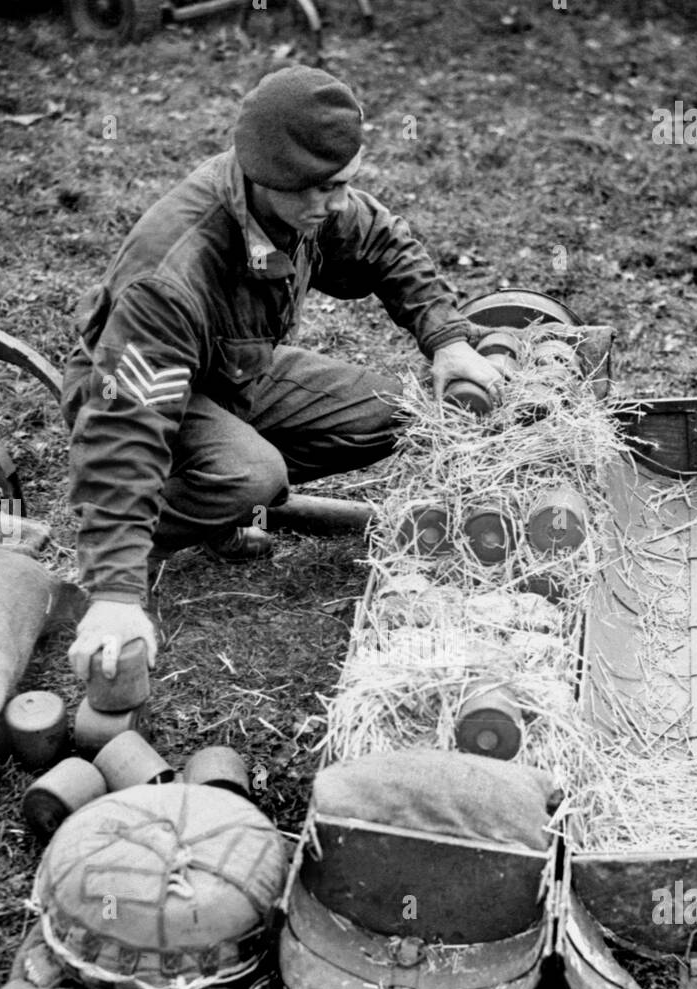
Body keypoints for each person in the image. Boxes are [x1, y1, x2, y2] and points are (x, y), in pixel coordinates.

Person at [63, 64, 504, 681]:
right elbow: (128, 426)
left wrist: (448, 340)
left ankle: (224, 503)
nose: (340, 202)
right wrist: (114, 594)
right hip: (139, 392)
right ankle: (139, 544)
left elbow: (384, 244)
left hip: (234, 372)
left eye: (346, 182)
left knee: (395, 409)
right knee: (251, 474)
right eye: (324, 190)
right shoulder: (170, 277)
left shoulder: (304, 201)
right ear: (268, 178)